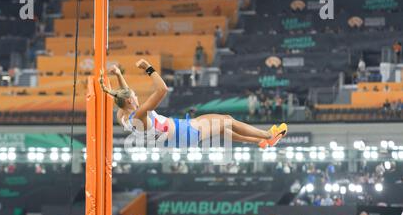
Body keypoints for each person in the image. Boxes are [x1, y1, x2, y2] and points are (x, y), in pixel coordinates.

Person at [99, 60, 288, 150]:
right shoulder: (140, 113)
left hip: (178, 138)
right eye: (135, 96)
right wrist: (148, 67)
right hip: (184, 131)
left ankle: (259, 142)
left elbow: (123, 96)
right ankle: (268, 135)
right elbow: (162, 89)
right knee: (227, 120)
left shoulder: (122, 117)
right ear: (132, 101)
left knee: (221, 130)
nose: (137, 97)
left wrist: (118, 75)